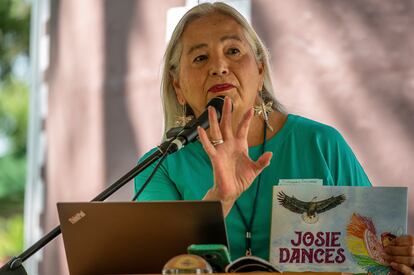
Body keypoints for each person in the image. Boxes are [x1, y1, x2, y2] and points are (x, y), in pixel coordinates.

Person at [134, 2, 414, 274]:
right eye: (200, 58)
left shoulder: (322, 144)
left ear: (259, 69)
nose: (219, 66)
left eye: (233, 51)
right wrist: (220, 199)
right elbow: (152, 266)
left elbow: (375, 257)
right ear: (178, 85)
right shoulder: (159, 168)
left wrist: (398, 258)